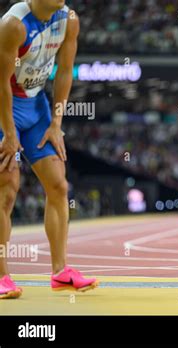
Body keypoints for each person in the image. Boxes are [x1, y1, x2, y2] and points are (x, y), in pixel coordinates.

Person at [0, 0, 98, 299]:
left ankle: (60, 272)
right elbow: (1, 82)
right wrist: (9, 133)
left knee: (58, 184)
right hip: (6, 107)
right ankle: (2, 276)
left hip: (36, 107)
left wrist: (56, 122)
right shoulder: (13, 25)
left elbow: (65, 71)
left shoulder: (69, 19)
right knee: (7, 186)